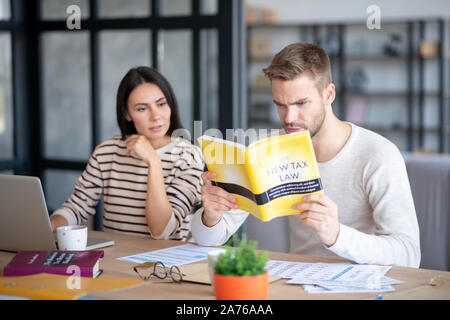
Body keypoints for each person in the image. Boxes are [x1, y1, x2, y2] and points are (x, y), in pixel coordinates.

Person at [191, 42, 421, 267]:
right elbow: (207, 240)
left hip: (363, 288)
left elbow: (409, 255)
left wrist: (337, 235)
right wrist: (211, 216)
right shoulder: (268, 150)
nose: (289, 117)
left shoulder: (378, 155)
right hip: (297, 284)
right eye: (280, 104)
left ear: (329, 94)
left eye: (301, 103)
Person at [50, 66, 204, 241]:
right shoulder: (106, 151)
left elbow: (162, 230)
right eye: (142, 109)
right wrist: (52, 224)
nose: (156, 116)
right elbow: (76, 207)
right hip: (114, 261)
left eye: (161, 104)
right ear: (127, 114)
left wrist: (153, 161)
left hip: (165, 266)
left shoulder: (188, 156)